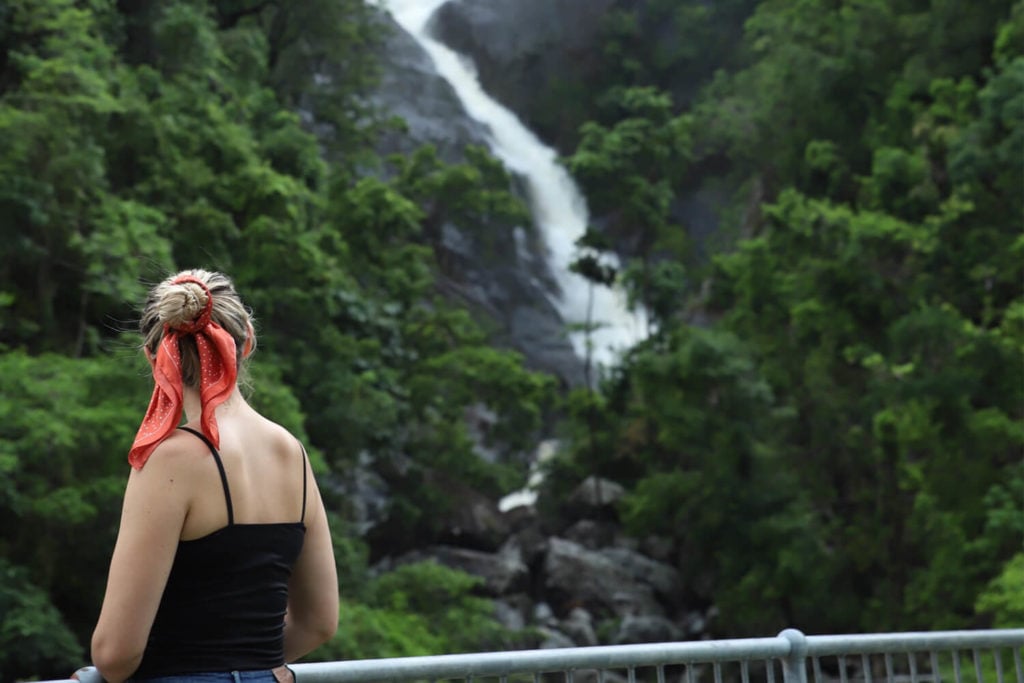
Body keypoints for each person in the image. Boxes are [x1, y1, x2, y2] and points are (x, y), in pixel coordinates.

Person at [90, 269, 339, 683]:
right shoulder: (291, 453)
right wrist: (251, 664)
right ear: (248, 343)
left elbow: (115, 655)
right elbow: (319, 622)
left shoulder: (172, 461)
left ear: (154, 358)